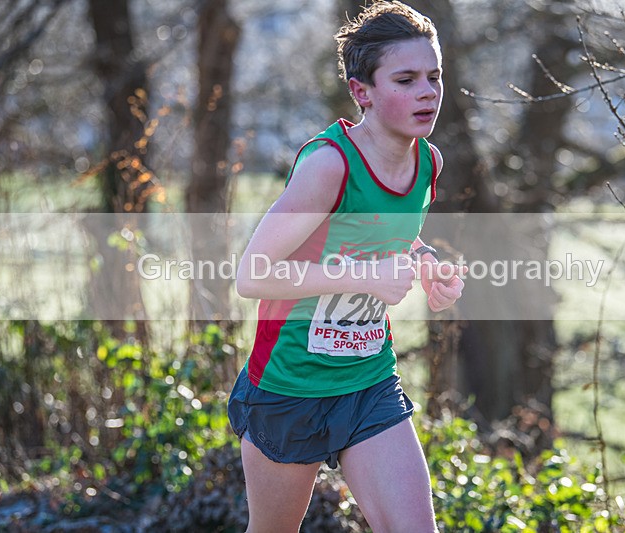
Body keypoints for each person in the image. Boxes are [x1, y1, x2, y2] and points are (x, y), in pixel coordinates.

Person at [229, 2, 465, 531]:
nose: (428, 92)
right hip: (289, 387)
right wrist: (365, 276)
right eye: (406, 79)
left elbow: (388, 237)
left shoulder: (428, 161)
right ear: (363, 91)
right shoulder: (328, 165)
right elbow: (253, 274)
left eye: (435, 76)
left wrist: (426, 264)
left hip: (367, 382)